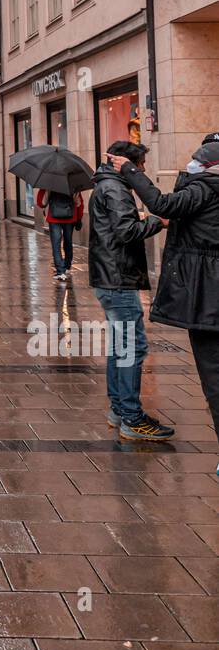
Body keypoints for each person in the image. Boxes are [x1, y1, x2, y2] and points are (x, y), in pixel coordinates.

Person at [111, 137, 219, 469]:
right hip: (204, 294)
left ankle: (124, 410)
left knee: (213, 374)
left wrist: (129, 172)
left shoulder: (207, 187)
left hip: (208, 298)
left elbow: (161, 205)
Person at [88, 141, 173, 441]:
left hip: (109, 277)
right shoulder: (115, 190)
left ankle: (118, 410)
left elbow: (117, 228)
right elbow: (126, 232)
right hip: (118, 279)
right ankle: (132, 418)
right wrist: (155, 222)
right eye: (141, 166)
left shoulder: (108, 187)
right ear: (128, 165)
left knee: (119, 347)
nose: (144, 171)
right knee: (132, 349)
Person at [36, 186, 84, 282]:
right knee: (68, 242)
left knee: (56, 244)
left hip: (54, 218)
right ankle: (67, 266)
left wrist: (44, 189)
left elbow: (41, 203)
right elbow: (79, 203)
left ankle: (60, 271)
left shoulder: (49, 182)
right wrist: (79, 218)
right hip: (70, 217)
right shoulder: (73, 183)